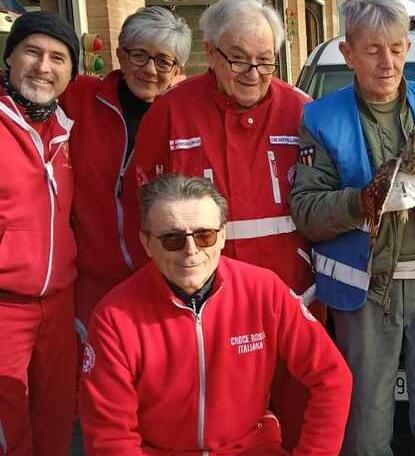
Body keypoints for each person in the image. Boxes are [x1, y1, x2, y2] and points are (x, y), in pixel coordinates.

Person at [289, 0, 415, 453]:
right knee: (366, 416)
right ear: (348, 52)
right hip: (365, 289)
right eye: (374, 50)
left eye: (397, 49)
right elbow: (306, 211)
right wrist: (367, 201)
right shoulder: (322, 118)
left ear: (408, 47)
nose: (388, 62)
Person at [125, 0, 320, 449]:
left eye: (265, 60)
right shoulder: (171, 112)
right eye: (238, 59)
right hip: (201, 309)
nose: (253, 72)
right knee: (215, 427)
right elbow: (144, 209)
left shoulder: (304, 112)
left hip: (295, 302)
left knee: (295, 421)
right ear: (211, 54)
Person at [79, 174, 352, 455]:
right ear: (146, 243)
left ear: (222, 236)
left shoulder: (263, 291)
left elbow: (332, 376)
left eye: (204, 235)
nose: (191, 250)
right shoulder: (114, 317)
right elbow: (110, 436)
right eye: (172, 239)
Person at [60, 6, 192, 327]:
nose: (149, 69)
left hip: (159, 282)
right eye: (138, 55)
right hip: (86, 281)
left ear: (177, 70)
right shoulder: (80, 98)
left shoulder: (186, 118)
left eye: (163, 61)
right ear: (120, 54)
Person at [0, 11, 79, 456]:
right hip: (5, 305)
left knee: (56, 419)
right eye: (32, 52)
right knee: (8, 426)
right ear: (10, 57)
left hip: (58, 303)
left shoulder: (65, 130)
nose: (43, 67)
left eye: (58, 58)